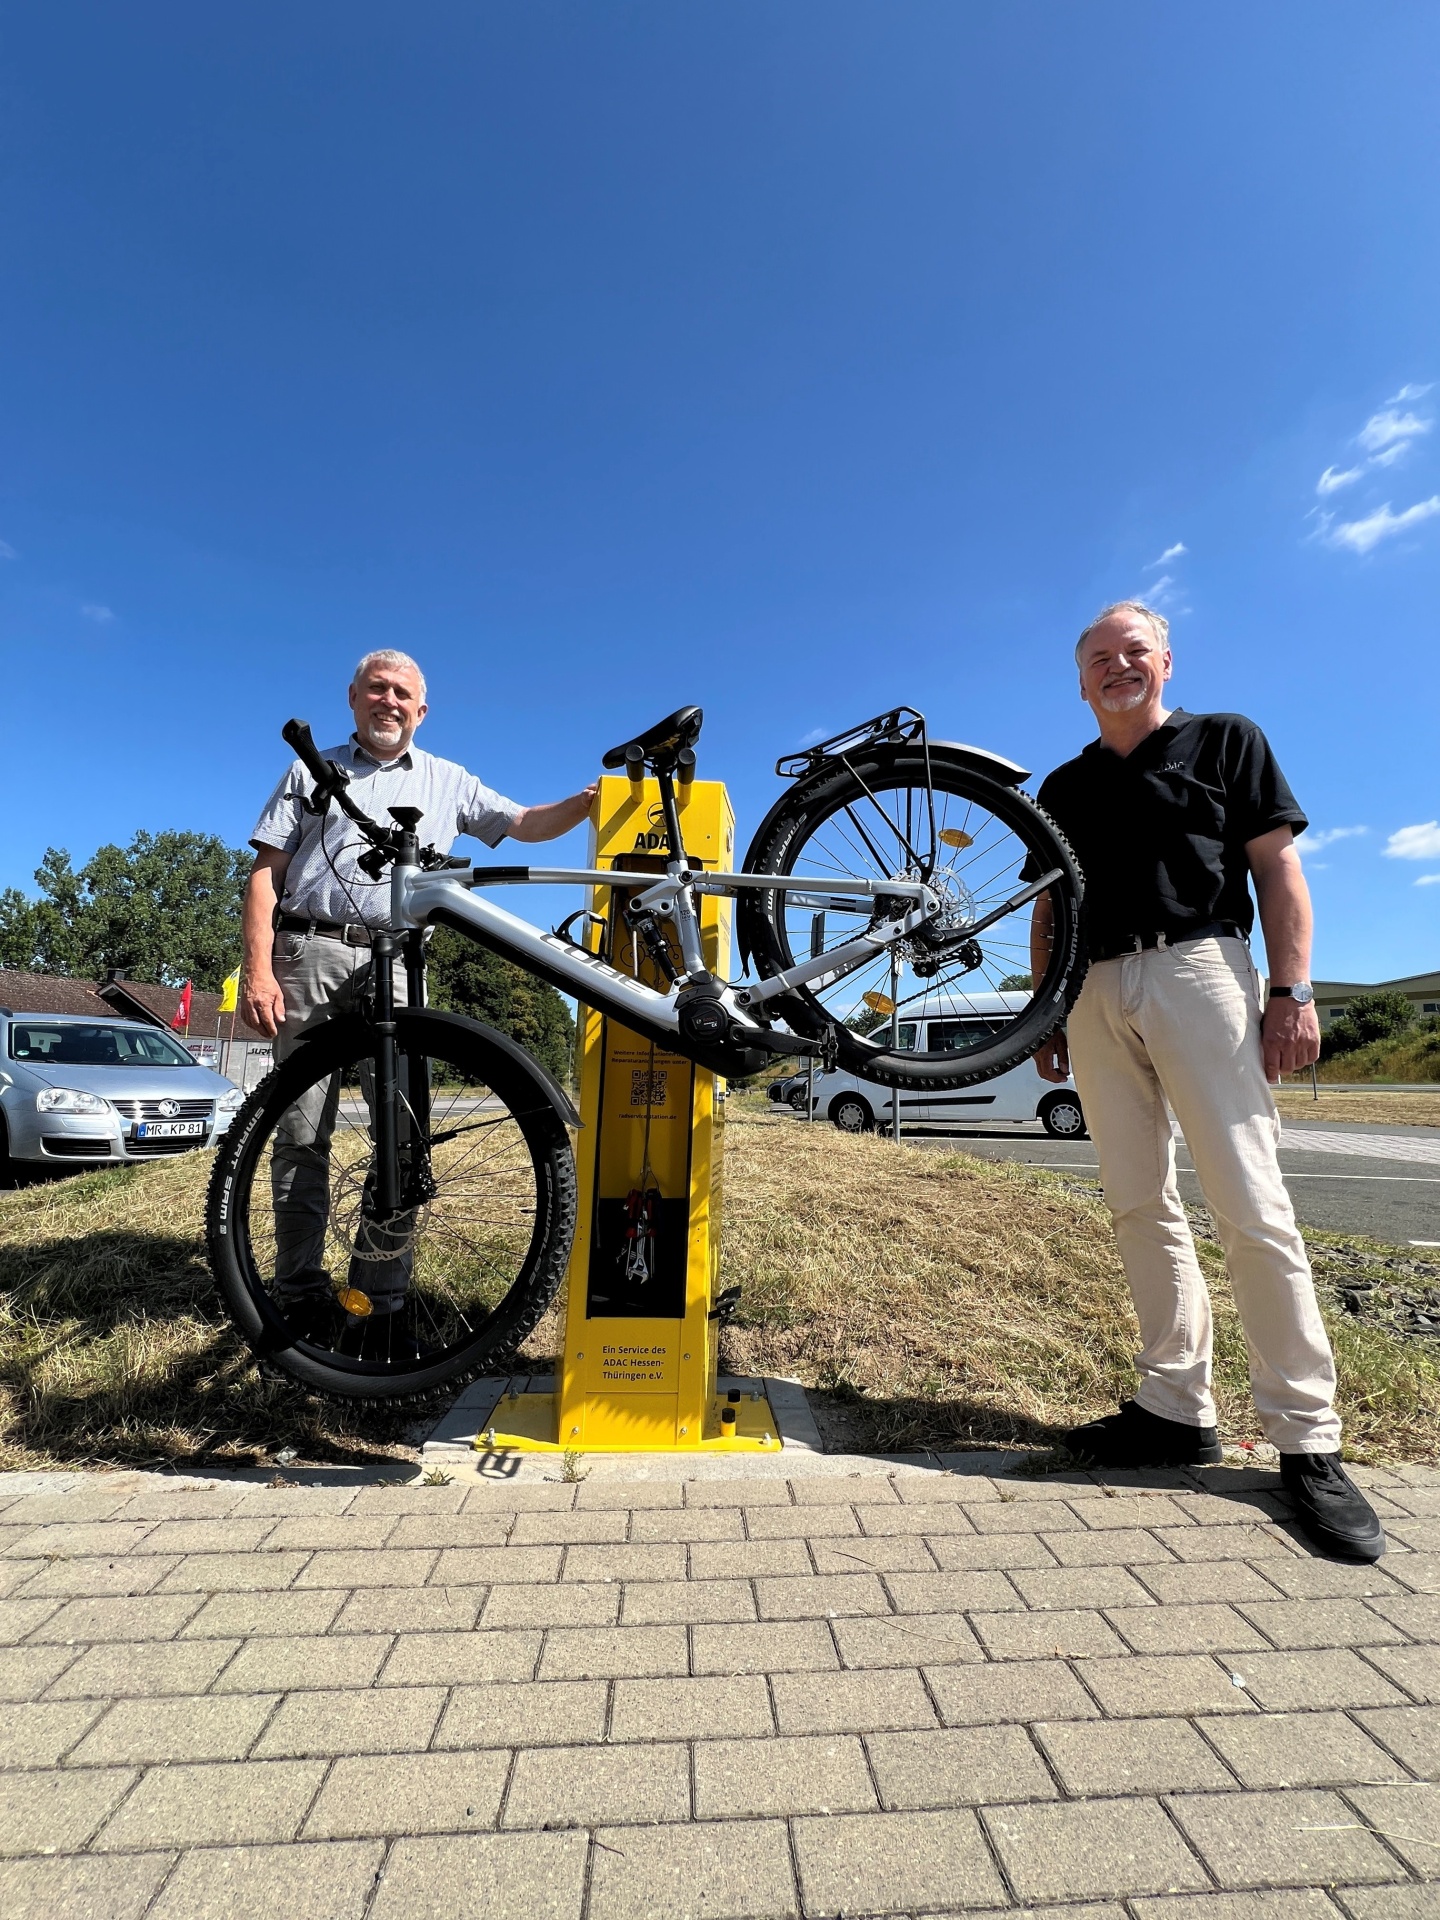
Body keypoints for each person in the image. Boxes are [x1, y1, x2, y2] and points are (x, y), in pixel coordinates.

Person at [1029, 601, 1383, 1562]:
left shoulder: (1227, 742)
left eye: (1134, 651)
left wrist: (1292, 989)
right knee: (1139, 1203)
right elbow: (1050, 905)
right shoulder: (1062, 785)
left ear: (1167, 661)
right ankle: (1173, 1406)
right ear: (1080, 680)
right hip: (1095, 986)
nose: (1118, 667)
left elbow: (1278, 870)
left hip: (1201, 968)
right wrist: (1045, 1009)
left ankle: (1306, 1438)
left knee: (1248, 1201)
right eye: (1099, 658)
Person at [240, 648, 596, 1351]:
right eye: (378, 688)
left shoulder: (447, 780)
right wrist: (258, 968)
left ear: (422, 710)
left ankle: (378, 1300)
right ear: (353, 697)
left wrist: (588, 803)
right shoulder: (313, 768)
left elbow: (523, 822)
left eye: (403, 693)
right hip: (310, 951)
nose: (390, 702)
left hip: (400, 962)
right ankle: (300, 1295)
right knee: (300, 1136)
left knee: (403, 1141)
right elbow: (264, 874)